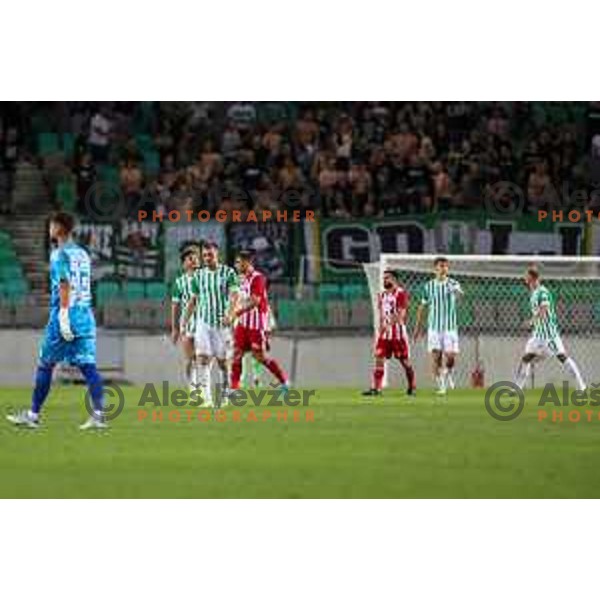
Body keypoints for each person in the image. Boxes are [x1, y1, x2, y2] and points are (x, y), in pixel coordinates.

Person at [7, 212, 105, 429]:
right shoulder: (83, 254)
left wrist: (62, 316)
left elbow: (64, 284)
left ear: (60, 228)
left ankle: (33, 415)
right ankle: (98, 415)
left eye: (52, 225)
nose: (49, 229)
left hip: (65, 311)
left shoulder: (58, 254)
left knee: (46, 363)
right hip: (85, 313)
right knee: (89, 365)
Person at [182, 241, 239, 407]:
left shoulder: (228, 273)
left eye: (210, 255)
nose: (207, 258)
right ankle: (206, 398)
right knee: (202, 359)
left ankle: (225, 395)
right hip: (203, 323)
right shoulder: (199, 276)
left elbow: (234, 295)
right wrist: (184, 322)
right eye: (205, 255)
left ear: (217, 255)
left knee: (223, 362)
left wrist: (230, 314)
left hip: (222, 323)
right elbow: (193, 300)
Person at [514, 265, 586, 391]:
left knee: (562, 357)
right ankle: (518, 388)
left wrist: (532, 321)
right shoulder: (534, 293)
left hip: (549, 335)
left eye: (527, 277)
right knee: (526, 358)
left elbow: (544, 309)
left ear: (532, 278)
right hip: (538, 335)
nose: (525, 279)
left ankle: (581, 386)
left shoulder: (543, 292)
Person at [229, 250, 289, 392]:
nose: (236, 265)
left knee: (260, 357)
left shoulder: (258, 278)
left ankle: (284, 381)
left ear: (247, 262)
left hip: (256, 325)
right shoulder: (240, 279)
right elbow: (237, 298)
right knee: (236, 355)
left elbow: (255, 301)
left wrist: (236, 313)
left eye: (239, 262)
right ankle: (234, 389)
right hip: (243, 325)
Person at [414, 257, 463, 397]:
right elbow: (422, 307)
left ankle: (448, 373)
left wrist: (456, 291)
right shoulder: (428, 286)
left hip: (450, 328)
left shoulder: (453, 283)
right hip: (434, 328)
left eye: (446, 266)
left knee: (451, 357)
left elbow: (461, 297)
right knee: (436, 358)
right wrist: (418, 328)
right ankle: (441, 386)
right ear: (435, 268)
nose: (443, 269)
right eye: (441, 266)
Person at [363, 270, 416, 397]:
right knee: (379, 359)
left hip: (398, 334)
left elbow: (401, 314)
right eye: (384, 278)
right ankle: (376, 388)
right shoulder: (381, 295)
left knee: (405, 362)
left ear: (394, 279)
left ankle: (412, 386)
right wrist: (382, 327)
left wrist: (388, 324)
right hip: (385, 335)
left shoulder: (401, 293)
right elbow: (382, 314)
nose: (385, 280)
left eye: (387, 278)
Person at [170, 245, 201, 394]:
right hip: (188, 325)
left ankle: (203, 386)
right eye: (190, 258)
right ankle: (193, 387)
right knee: (191, 359)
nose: (194, 261)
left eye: (196, 258)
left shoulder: (206, 277)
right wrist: (175, 328)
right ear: (184, 263)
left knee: (204, 357)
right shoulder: (179, 282)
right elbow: (175, 306)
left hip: (205, 323)